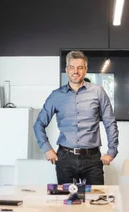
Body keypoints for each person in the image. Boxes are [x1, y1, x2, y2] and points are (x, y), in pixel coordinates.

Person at [33, 51, 119, 185]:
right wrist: (47, 148)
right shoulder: (56, 96)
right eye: (72, 67)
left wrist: (111, 151)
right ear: (66, 70)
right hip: (65, 158)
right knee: (67, 201)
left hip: (92, 159)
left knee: (96, 201)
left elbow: (110, 123)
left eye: (80, 67)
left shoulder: (98, 92)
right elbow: (38, 124)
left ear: (85, 70)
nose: (76, 71)